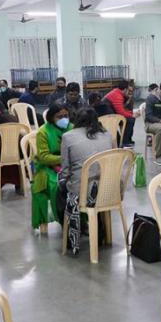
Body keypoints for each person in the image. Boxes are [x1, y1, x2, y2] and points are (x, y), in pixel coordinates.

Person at [60, 107, 115, 255]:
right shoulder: (107, 135)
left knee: (61, 191)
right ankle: (100, 230)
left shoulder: (68, 137)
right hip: (107, 190)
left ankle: (70, 236)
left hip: (83, 193)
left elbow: (65, 170)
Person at [31, 102, 72, 232]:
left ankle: (79, 219)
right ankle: (63, 220)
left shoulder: (72, 128)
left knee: (80, 182)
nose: (64, 119)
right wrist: (64, 158)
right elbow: (44, 157)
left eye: (66, 115)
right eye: (59, 116)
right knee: (56, 185)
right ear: (51, 117)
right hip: (47, 167)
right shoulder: (43, 132)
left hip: (70, 165)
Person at [104, 80, 139, 147]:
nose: (129, 92)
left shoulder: (118, 93)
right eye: (128, 90)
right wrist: (132, 115)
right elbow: (121, 112)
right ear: (125, 89)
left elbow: (123, 110)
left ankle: (126, 140)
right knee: (130, 120)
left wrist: (131, 113)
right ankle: (125, 142)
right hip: (107, 117)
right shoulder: (117, 95)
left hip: (111, 115)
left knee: (130, 119)